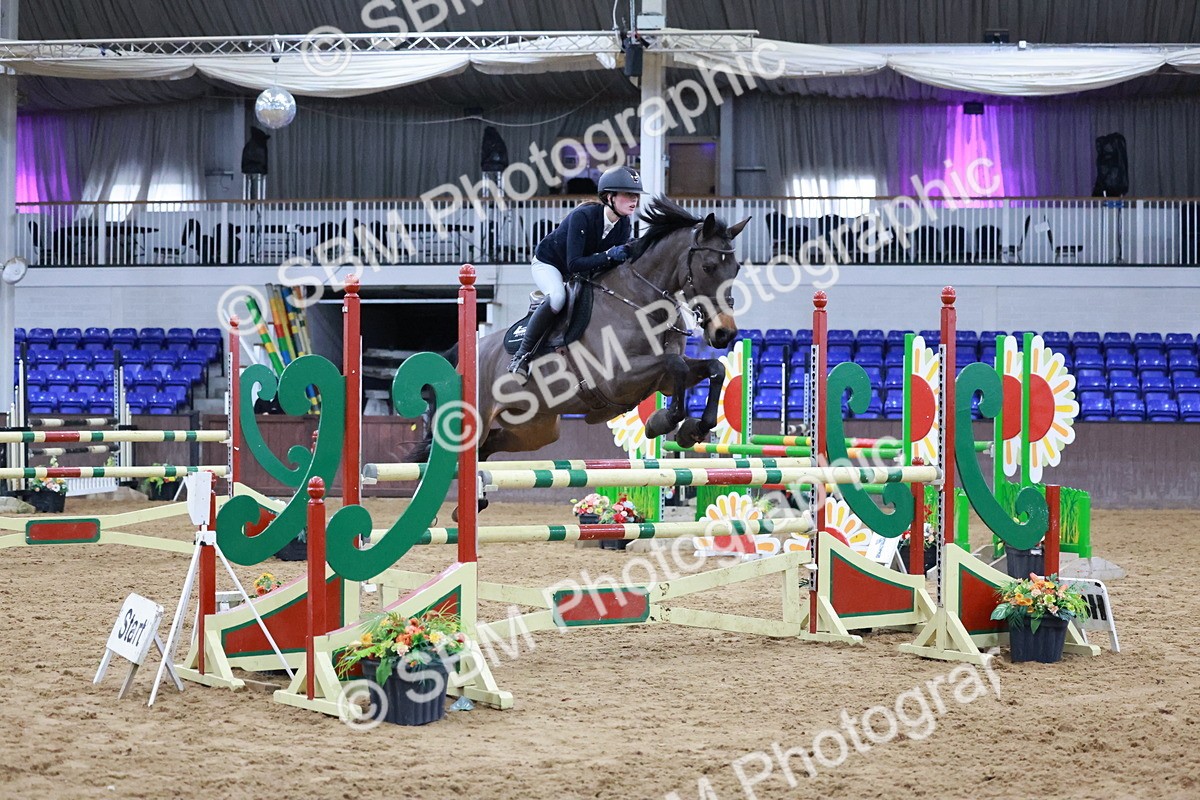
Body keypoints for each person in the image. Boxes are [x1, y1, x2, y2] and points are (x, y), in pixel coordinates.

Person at [508, 165, 645, 376]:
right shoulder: (583, 216)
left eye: (635, 195)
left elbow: (610, 264)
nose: (634, 200)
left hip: (581, 270)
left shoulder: (624, 224)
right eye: (628, 195)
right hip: (550, 264)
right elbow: (574, 263)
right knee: (557, 297)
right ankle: (521, 356)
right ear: (609, 197)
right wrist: (609, 255)